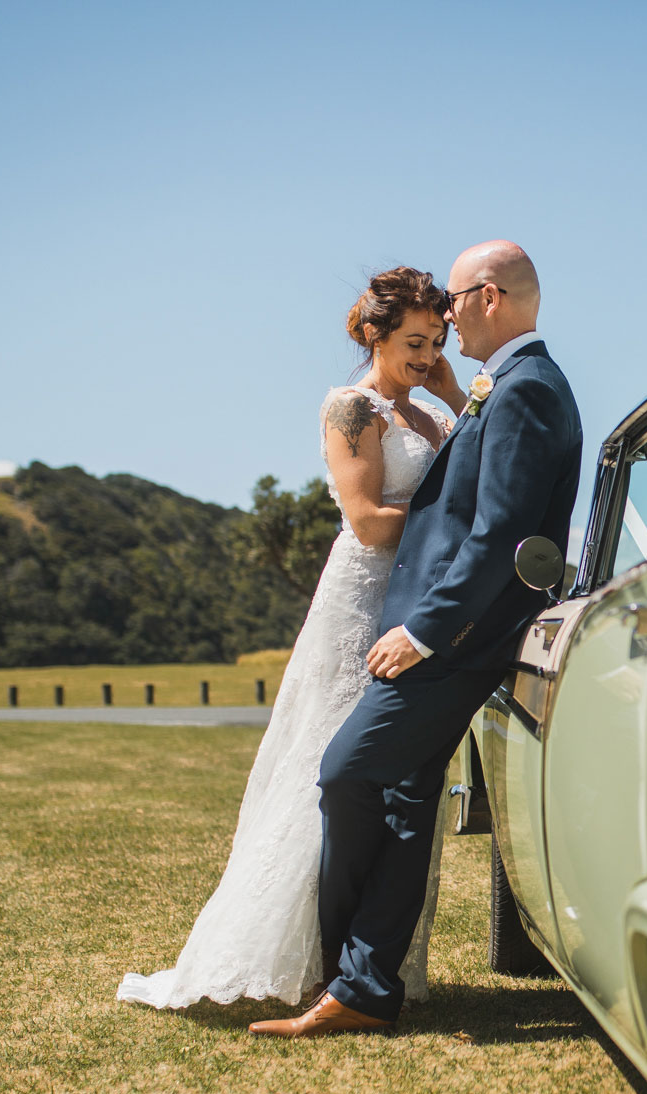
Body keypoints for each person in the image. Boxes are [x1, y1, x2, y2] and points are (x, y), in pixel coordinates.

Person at [250, 240, 582, 1038]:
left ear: (489, 297)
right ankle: (363, 988)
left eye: (457, 302)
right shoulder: (501, 387)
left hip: (454, 636)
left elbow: (499, 531)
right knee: (403, 796)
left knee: (345, 772)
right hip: (437, 623)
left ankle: (347, 971)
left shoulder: (525, 390)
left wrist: (425, 633)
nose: (448, 319)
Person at [118, 266, 469, 1010]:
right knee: (329, 766)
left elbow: (481, 465)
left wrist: (447, 389)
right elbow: (371, 519)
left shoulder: (437, 419)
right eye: (413, 340)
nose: (425, 352)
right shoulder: (349, 408)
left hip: (414, 601)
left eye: (436, 341)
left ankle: (369, 960)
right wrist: (461, 535)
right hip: (360, 599)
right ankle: (304, 958)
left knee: (397, 781)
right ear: (373, 332)